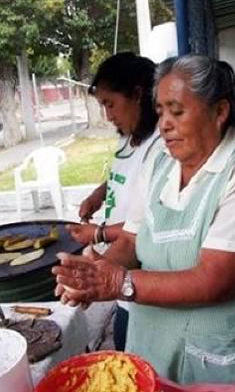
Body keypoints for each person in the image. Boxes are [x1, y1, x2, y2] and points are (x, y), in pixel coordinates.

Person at [53, 55, 235, 390]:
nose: (164, 124)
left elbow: (214, 280)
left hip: (227, 355)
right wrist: (91, 275)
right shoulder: (160, 163)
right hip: (157, 343)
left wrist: (117, 283)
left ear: (220, 111)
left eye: (177, 111)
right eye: (160, 111)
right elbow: (129, 241)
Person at [67, 52, 161, 351]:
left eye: (110, 104)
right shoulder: (129, 136)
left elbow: (145, 227)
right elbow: (123, 173)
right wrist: (100, 193)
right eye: (102, 105)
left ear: (137, 95)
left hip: (145, 278)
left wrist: (97, 234)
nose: (108, 116)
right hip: (121, 269)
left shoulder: (163, 145)